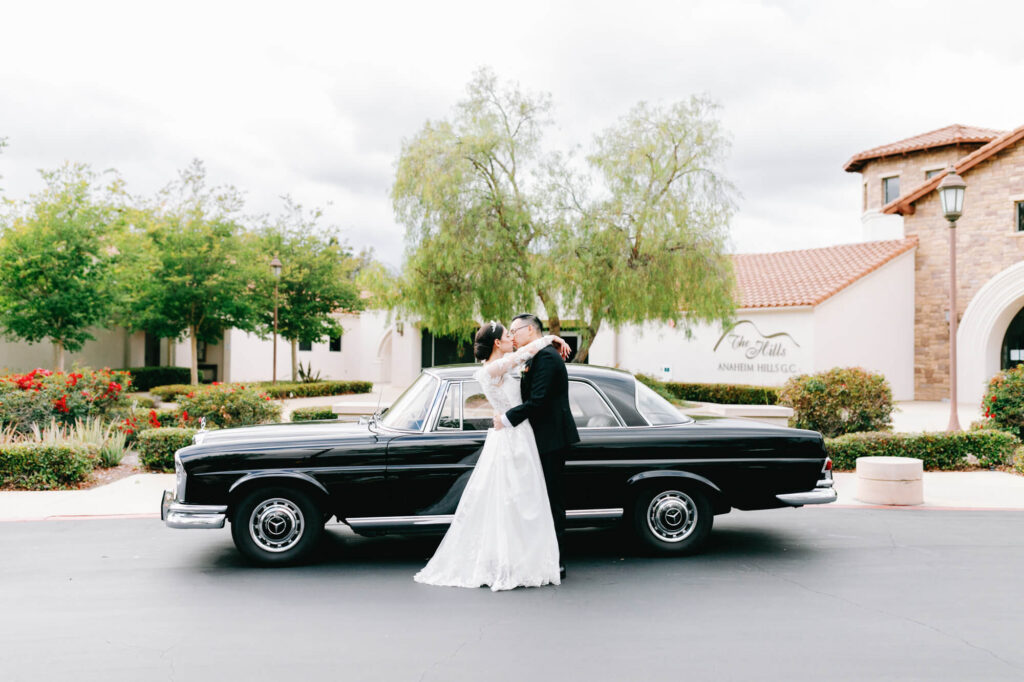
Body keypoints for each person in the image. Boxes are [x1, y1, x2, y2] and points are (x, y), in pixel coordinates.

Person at [413, 320, 571, 591]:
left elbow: (524, 365)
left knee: (525, 500)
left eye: (514, 332)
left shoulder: (503, 364)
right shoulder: (492, 369)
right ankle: (514, 560)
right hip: (513, 436)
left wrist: (549, 340)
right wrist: (551, 338)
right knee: (513, 500)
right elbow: (523, 355)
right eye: (508, 335)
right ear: (497, 343)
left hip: (519, 434)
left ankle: (528, 557)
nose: (511, 337)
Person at [495, 313, 580, 580]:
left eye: (514, 330)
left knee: (551, 500)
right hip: (539, 438)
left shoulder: (545, 358)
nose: (512, 335)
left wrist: (507, 419)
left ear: (530, 330)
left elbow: (539, 400)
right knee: (539, 499)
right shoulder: (539, 353)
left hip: (551, 439)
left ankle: (557, 561)